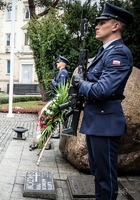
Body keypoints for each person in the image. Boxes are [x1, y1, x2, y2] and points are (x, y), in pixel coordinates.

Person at [71, 2, 134, 200]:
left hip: (105, 123)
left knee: (105, 177)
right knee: (98, 173)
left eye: (102, 22)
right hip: (97, 122)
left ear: (115, 26)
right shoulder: (105, 51)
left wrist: (81, 84)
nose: (97, 26)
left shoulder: (118, 52)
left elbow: (102, 90)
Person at [51, 55, 69, 139]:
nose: (57, 63)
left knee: (60, 115)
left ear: (63, 63)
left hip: (60, 96)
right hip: (58, 95)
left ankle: (59, 132)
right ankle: (58, 132)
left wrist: (53, 83)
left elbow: (61, 86)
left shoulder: (63, 72)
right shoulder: (61, 72)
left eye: (58, 62)